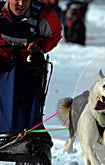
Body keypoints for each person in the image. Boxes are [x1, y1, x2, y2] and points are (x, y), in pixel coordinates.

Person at [0, 0, 62, 142]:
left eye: (26, 0)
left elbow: (55, 35)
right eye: (17, 0)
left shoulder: (43, 15)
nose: (21, 3)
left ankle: (26, 127)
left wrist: (40, 46)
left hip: (26, 65)